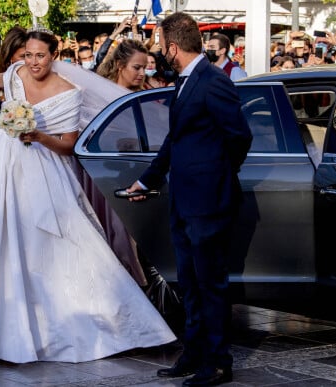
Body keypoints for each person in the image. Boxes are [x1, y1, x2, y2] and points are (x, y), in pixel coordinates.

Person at [0, 29, 176, 364]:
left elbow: (68, 144)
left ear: (53, 55)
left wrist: (38, 135)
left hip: (44, 168)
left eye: (40, 55)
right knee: (0, 246)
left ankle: (111, 323)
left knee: (64, 246)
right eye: (28, 55)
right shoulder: (14, 74)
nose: (33, 62)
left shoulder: (69, 93)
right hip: (4, 170)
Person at [126, 12, 252, 386]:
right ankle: (194, 353)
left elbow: (239, 136)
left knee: (211, 282)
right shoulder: (186, 80)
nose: (158, 52)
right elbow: (176, 140)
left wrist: (214, 176)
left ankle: (217, 362)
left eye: (160, 45)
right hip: (183, 201)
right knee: (189, 282)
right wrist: (146, 179)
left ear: (173, 47)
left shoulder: (213, 81)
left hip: (209, 201)